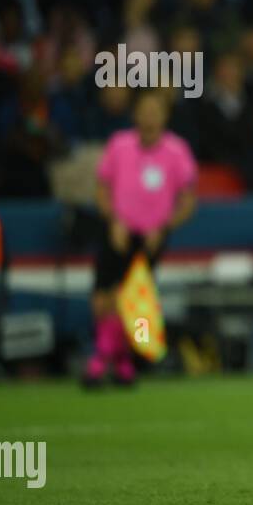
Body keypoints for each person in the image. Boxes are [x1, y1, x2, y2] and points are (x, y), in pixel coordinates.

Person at [85, 89, 196, 387]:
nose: (149, 117)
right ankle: (121, 363)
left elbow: (187, 201)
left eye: (155, 111)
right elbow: (102, 188)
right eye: (144, 110)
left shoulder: (176, 151)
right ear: (135, 115)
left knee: (131, 298)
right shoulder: (119, 145)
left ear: (164, 116)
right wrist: (113, 220)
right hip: (117, 231)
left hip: (150, 238)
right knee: (102, 297)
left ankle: (102, 360)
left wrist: (163, 227)